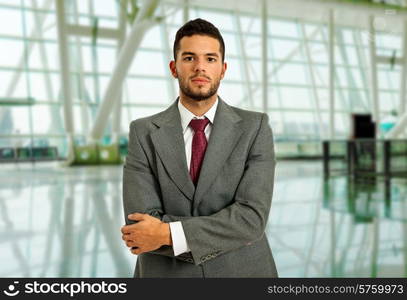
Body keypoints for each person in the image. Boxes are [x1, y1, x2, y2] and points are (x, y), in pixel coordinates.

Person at [121, 18, 278, 278]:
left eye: (210, 59)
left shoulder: (255, 128)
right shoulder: (143, 133)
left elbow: (251, 220)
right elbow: (139, 228)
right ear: (174, 67)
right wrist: (223, 232)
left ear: (223, 69)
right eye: (189, 58)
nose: (200, 68)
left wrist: (165, 233)